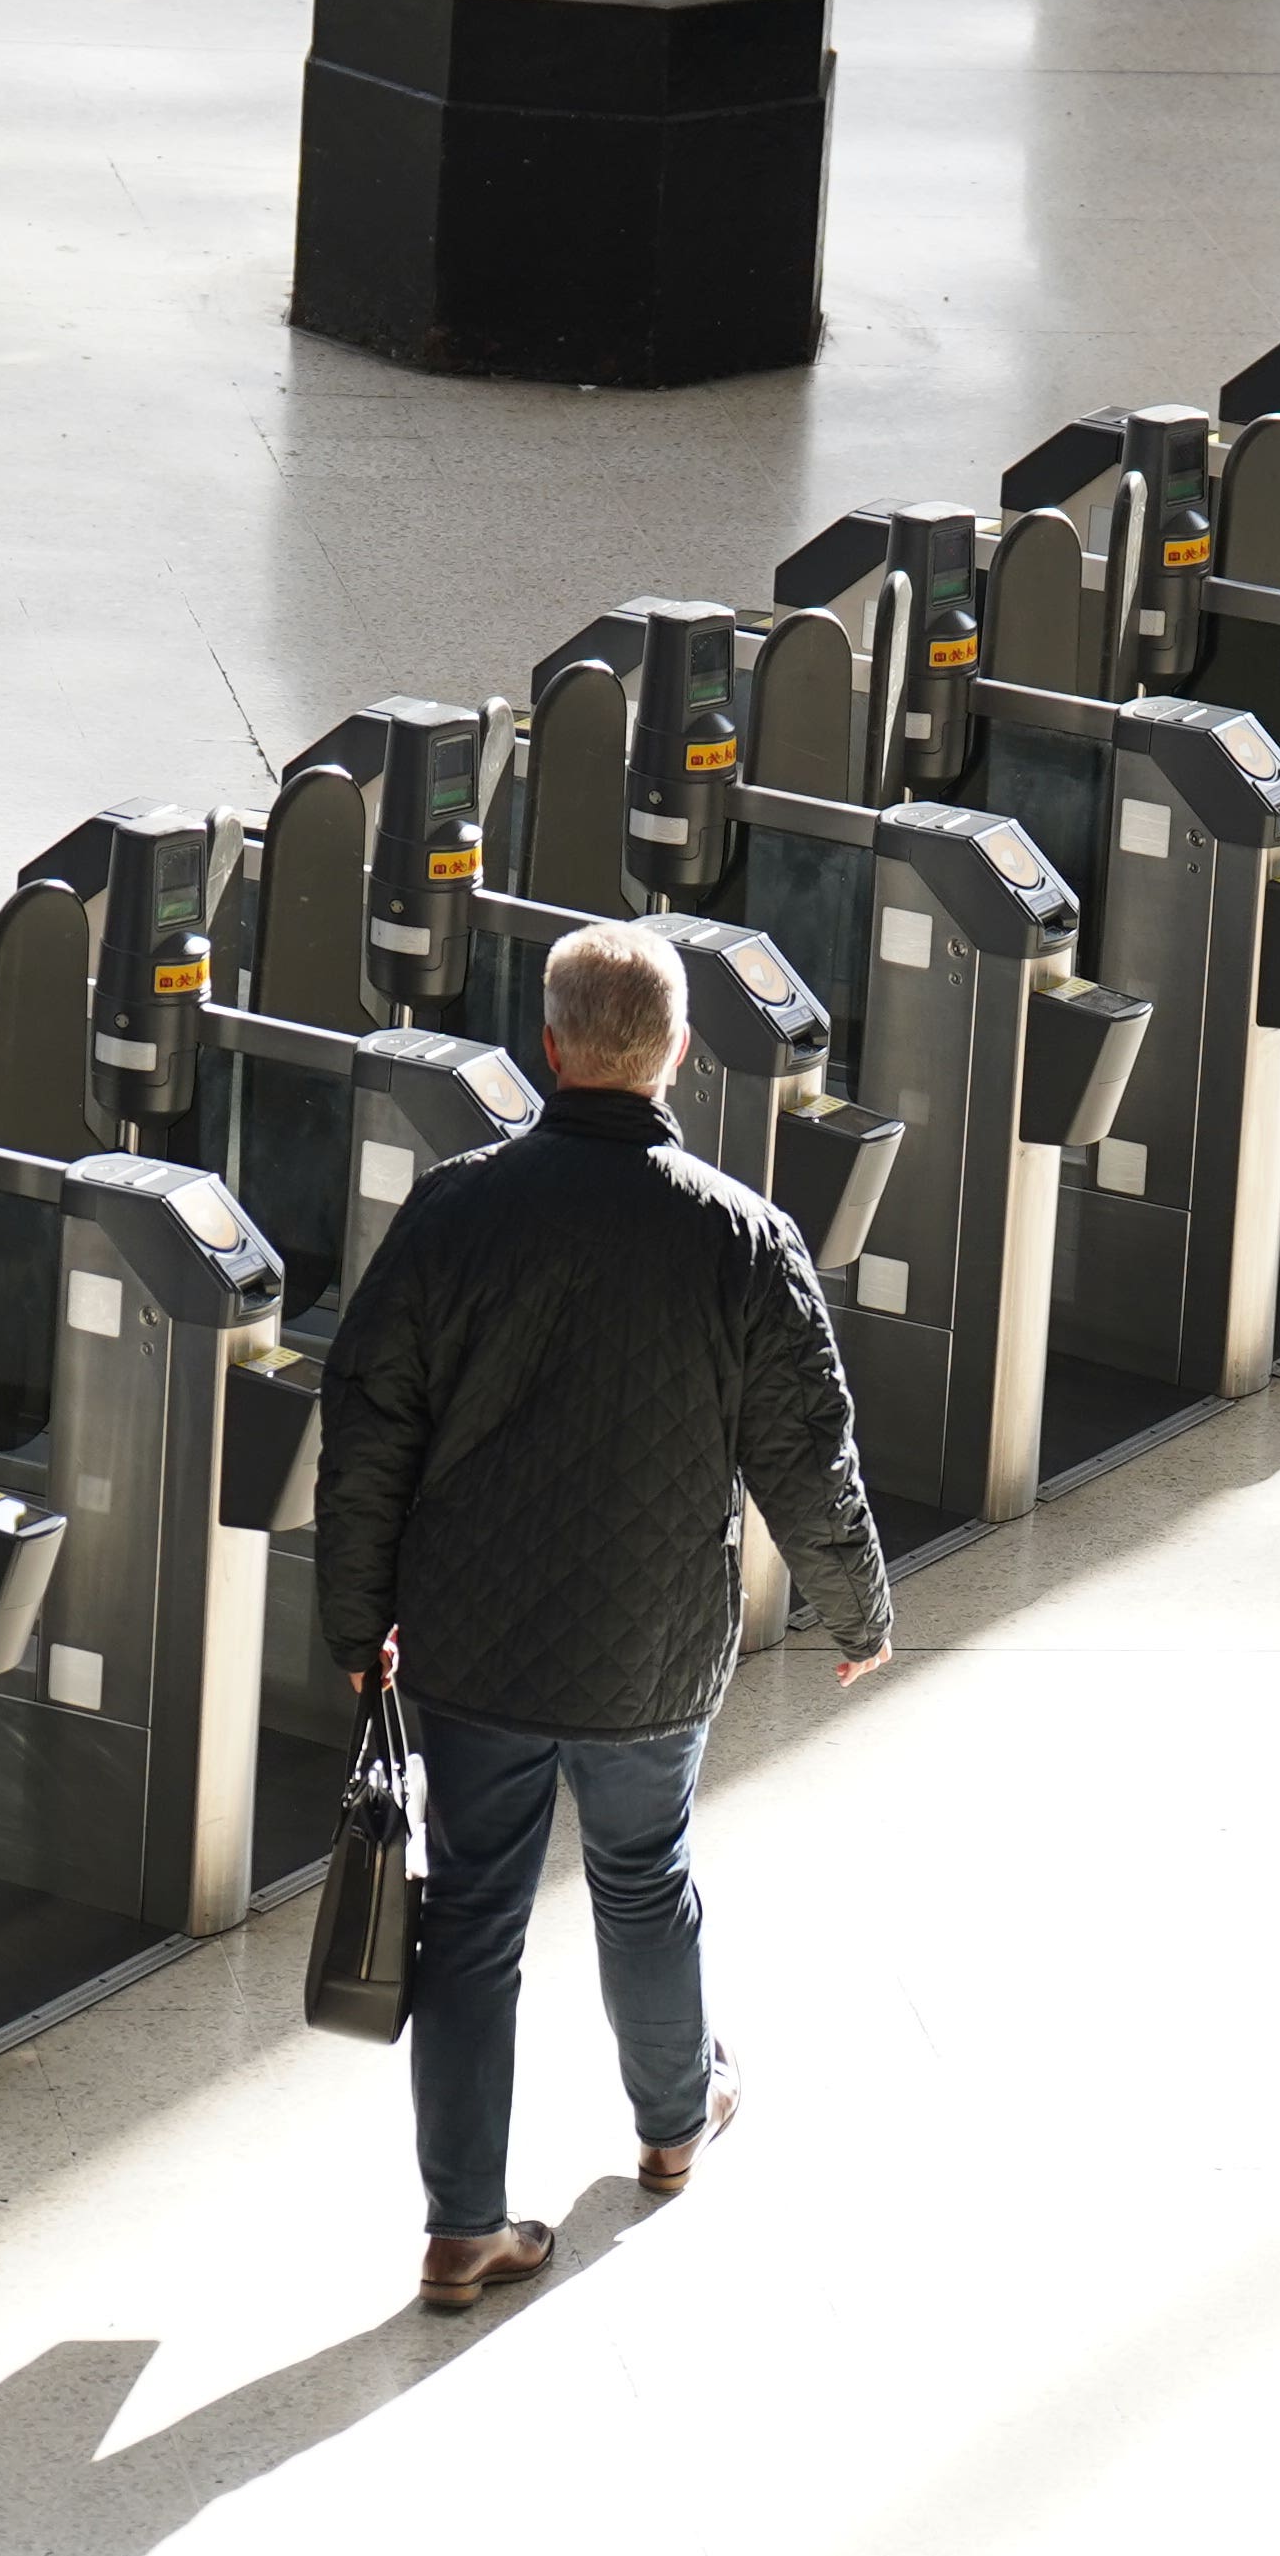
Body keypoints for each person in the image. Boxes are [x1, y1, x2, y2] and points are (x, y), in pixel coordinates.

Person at [313, 918, 893, 2314]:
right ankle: (674, 2123)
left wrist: (357, 1622)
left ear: (552, 1049)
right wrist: (855, 1606)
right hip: (652, 1639)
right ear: (678, 1053)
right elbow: (806, 1448)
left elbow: (368, 1426)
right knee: (646, 1876)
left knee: (472, 1924)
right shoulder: (743, 1237)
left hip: (474, 1637)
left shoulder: (455, 1207)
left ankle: (464, 2227)